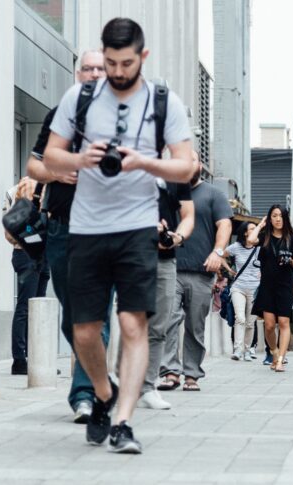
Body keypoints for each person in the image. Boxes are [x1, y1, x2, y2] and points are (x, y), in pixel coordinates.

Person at [43, 18, 197, 453]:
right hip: (87, 227)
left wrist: (144, 162)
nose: (116, 71)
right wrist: (80, 158)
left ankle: (124, 422)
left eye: (125, 63)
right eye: (109, 62)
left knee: (133, 323)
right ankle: (104, 394)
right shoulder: (81, 96)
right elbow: (50, 155)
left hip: (136, 227)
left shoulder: (164, 101)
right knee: (85, 331)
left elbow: (187, 167)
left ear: (142, 57)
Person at [26, 48, 106, 423]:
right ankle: (95, 375)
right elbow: (33, 165)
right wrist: (56, 174)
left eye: (99, 69)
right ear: (78, 74)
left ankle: (85, 393)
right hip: (61, 226)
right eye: (86, 68)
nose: (92, 74)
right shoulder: (59, 117)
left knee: (96, 314)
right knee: (72, 316)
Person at [160, 151, 233, 391]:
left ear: (199, 164)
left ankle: (192, 373)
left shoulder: (214, 194)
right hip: (169, 267)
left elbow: (225, 224)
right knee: (168, 320)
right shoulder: (168, 192)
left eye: (191, 160)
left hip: (202, 271)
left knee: (195, 325)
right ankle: (171, 371)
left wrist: (218, 252)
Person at [137, 176, 193, 410]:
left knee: (159, 326)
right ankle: (124, 384)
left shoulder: (175, 173)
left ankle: (148, 388)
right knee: (131, 322)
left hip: (165, 260)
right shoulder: (127, 164)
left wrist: (176, 237)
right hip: (131, 255)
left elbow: (188, 215)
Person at [2, 177, 51, 376]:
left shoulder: (46, 187)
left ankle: (34, 358)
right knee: (26, 306)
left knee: (37, 308)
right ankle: (20, 360)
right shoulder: (24, 187)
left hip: (39, 254)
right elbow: (20, 225)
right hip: (27, 253)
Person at [250, 205, 293, 372]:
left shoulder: (291, 239)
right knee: (270, 325)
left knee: (284, 322)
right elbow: (250, 241)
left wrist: (288, 261)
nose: (278, 219)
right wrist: (260, 225)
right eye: (274, 216)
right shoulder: (264, 236)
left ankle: (280, 360)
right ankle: (274, 352)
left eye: (280, 216)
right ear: (270, 218)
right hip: (267, 285)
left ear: (285, 218)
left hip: (285, 284)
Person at [225, 221, 261, 361]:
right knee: (240, 318)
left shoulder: (260, 249)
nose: (255, 230)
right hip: (238, 287)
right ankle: (238, 350)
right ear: (245, 232)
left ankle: (247, 350)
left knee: (250, 322)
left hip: (254, 289)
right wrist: (229, 269)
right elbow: (221, 254)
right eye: (252, 228)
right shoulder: (236, 247)